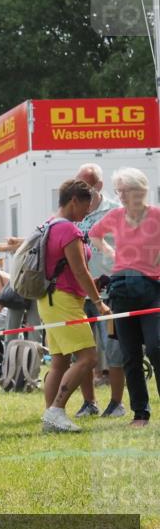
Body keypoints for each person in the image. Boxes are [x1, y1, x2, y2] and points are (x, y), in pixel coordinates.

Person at [37, 179, 111, 433]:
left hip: (49, 300)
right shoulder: (68, 230)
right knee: (89, 357)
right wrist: (99, 303)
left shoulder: (49, 224)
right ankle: (56, 411)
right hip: (64, 300)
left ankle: (51, 418)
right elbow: (80, 271)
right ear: (73, 201)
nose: (87, 212)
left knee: (59, 361)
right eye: (85, 206)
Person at [89, 166, 160, 427]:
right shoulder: (116, 216)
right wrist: (110, 253)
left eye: (124, 190)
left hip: (152, 289)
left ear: (140, 190)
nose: (120, 196)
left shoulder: (156, 216)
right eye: (118, 191)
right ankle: (140, 413)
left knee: (156, 347)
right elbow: (94, 234)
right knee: (129, 354)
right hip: (121, 289)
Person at [75, 163, 126, 418]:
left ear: (99, 186)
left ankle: (117, 403)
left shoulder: (115, 211)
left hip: (109, 292)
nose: (83, 189)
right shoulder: (75, 212)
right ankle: (89, 403)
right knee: (83, 352)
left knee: (114, 349)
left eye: (88, 184)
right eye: (79, 184)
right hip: (79, 294)